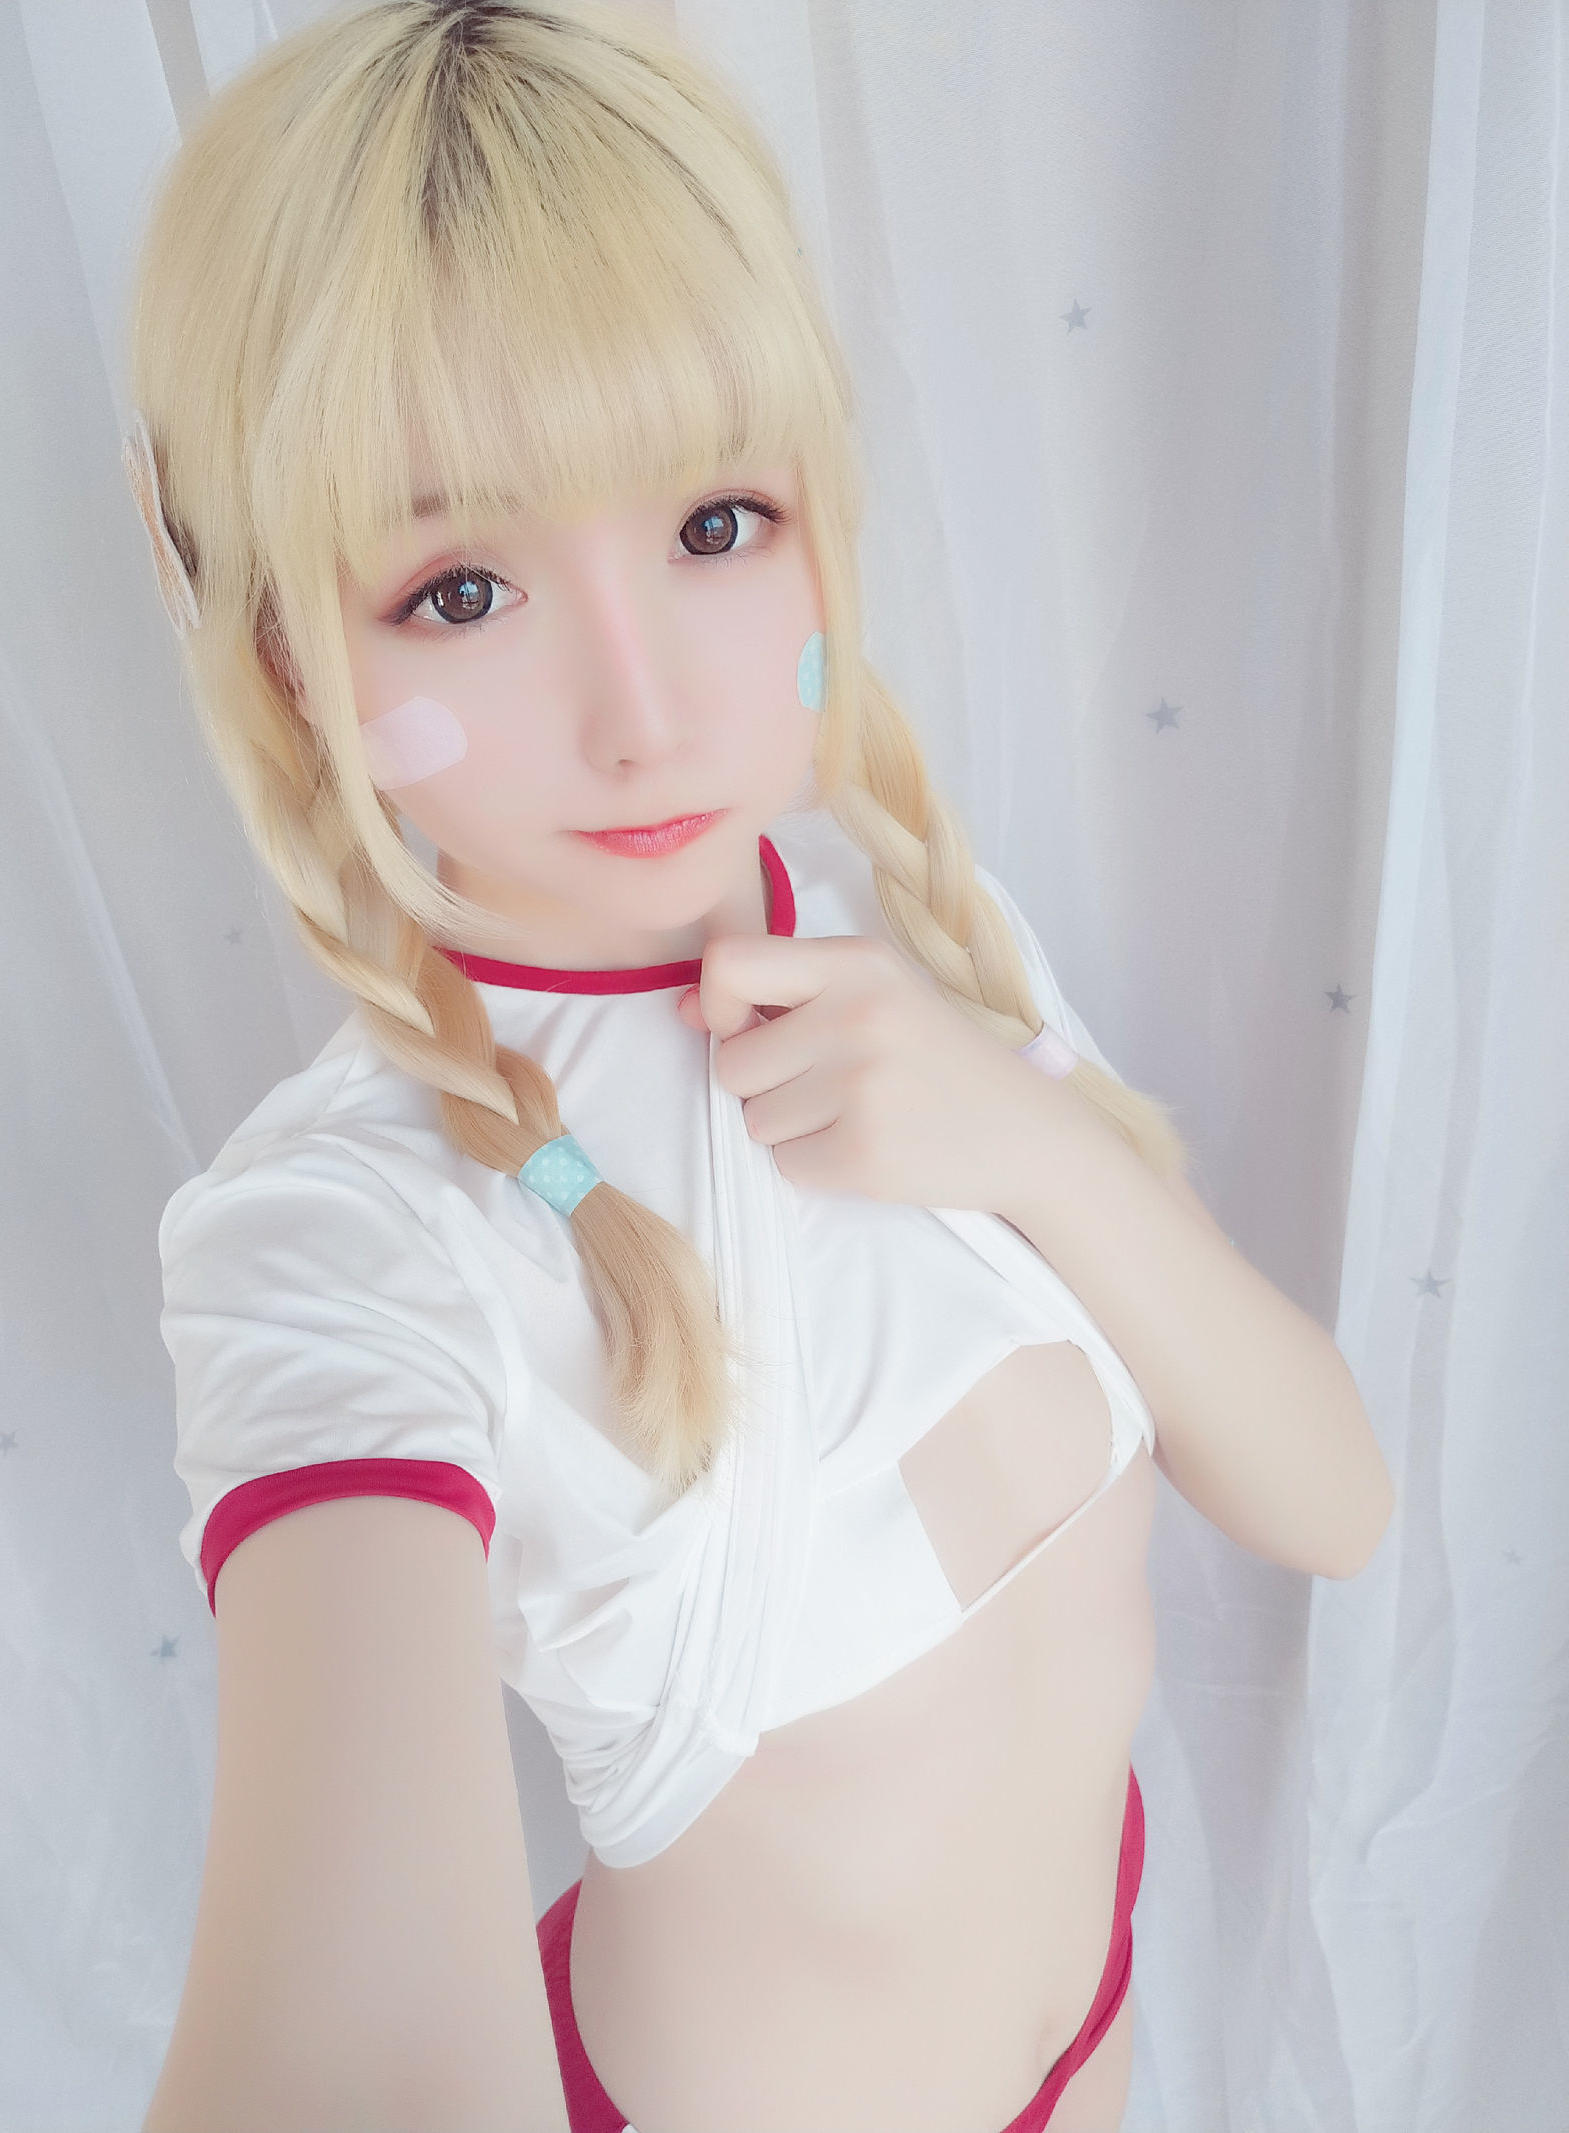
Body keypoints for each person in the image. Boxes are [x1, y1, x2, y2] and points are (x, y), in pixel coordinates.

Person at [127, 4, 1395, 2128]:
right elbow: (340, 2057)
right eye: (463, 586)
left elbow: (1332, 1501)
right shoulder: (348, 1225)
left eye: (715, 525)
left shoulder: (915, 931)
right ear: (281, 645)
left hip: (1097, 2045)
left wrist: (1031, 1139)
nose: (645, 715)